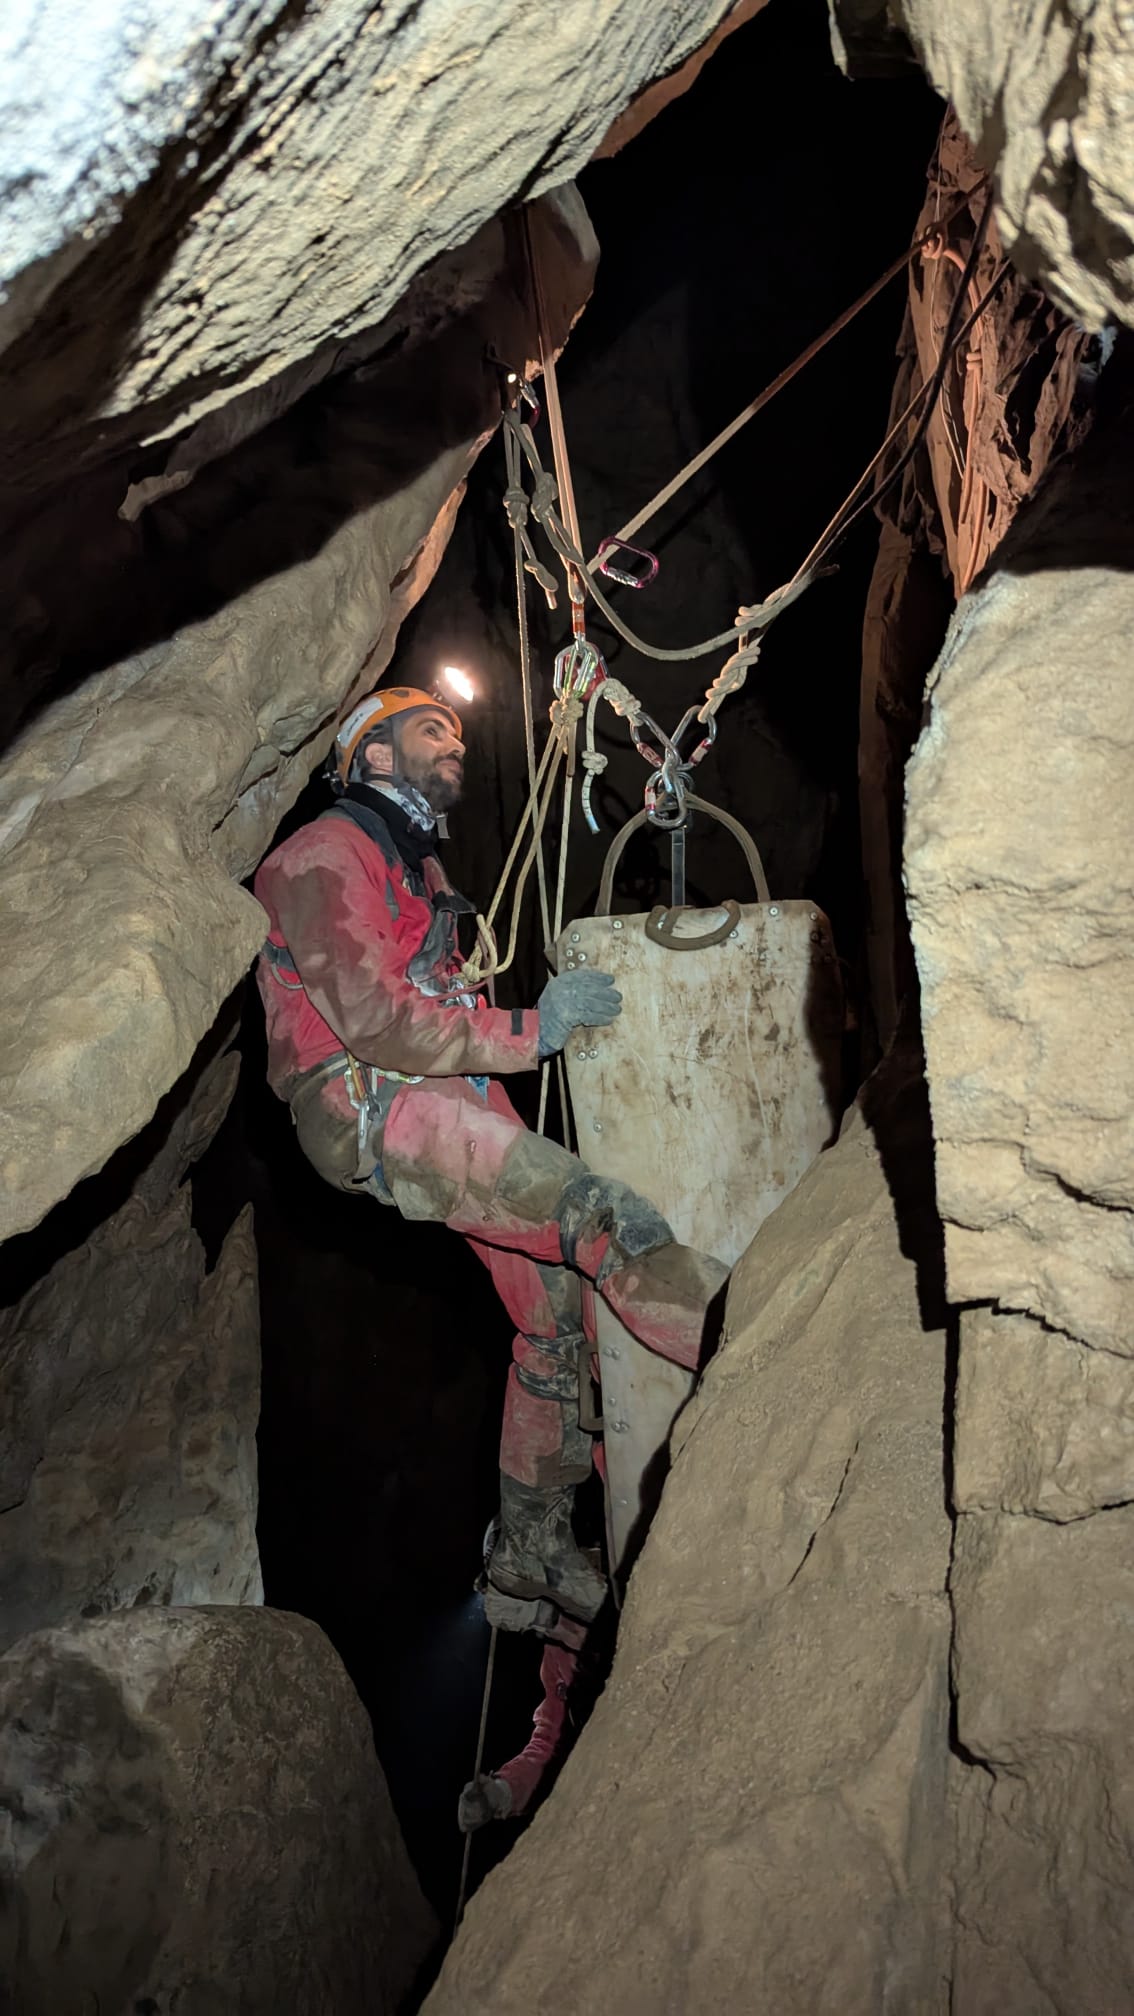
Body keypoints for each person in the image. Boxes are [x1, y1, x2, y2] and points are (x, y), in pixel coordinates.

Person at [254, 684, 728, 1621]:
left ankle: (532, 1545)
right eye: (431, 729)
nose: (455, 744)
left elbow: (444, 1011)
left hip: (449, 1100)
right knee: (600, 1217)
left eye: (458, 731)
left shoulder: (424, 878)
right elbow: (379, 1019)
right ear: (375, 757)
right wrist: (530, 1030)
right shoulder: (320, 856)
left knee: (552, 1314)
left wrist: (507, 1060)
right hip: (372, 1102)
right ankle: (748, 1341)